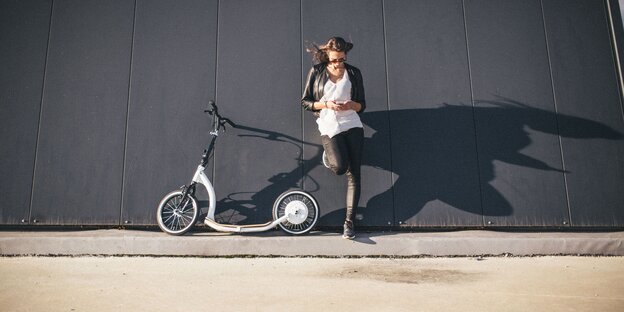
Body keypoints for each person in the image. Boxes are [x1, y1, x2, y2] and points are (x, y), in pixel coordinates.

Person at [301, 37, 366, 239]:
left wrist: (350, 105)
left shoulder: (354, 73)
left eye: (341, 59)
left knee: (354, 174)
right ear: (327, 56)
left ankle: (349, 223)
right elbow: (305, 102)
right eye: (334, 60)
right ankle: (330, 157)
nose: (338, 63)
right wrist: (327, 104)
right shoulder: (317, 72)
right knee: (339, 167)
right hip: (329, 124)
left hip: (352, 123)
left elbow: (362, 105)